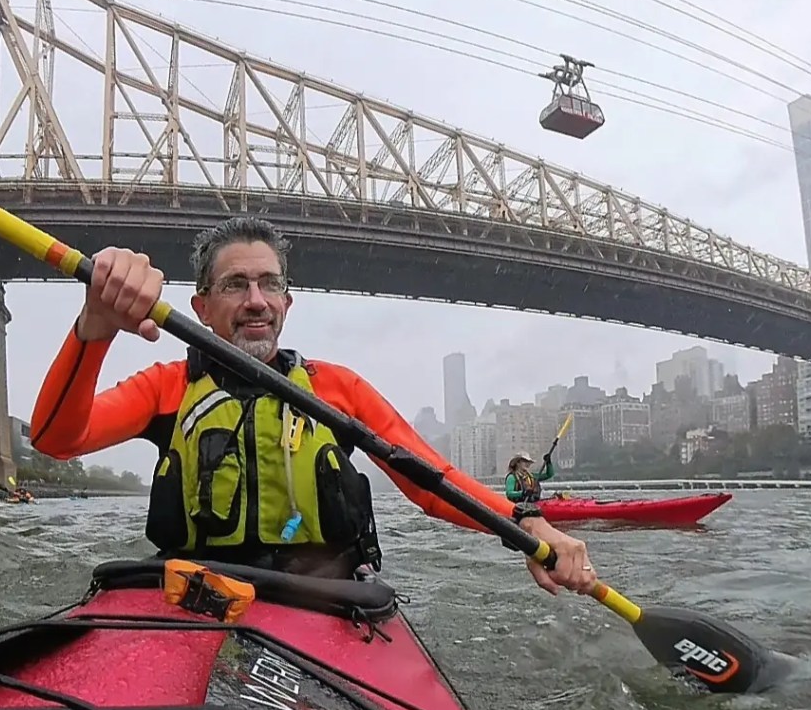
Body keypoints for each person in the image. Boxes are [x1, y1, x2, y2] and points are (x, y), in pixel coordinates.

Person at [30, 217, 600, 597]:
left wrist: (527, 526)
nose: (255, 301)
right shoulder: (167, 388)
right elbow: (56, 439)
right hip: (201, 596)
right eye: (235, 286)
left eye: (268, 285)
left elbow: (431, 481)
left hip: (326, 603)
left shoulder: (336, 388)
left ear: (286, 303)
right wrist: (96, 327)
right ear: (201, 306)